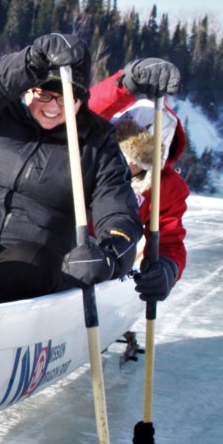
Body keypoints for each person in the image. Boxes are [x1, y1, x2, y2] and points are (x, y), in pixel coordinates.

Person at [0, 33, 143, 308]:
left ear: (81, 101)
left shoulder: (96, 145)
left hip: (31, 257)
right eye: (45, 94)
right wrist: (28, 61)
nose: (52, 107)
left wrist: (109, 255)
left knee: (25, 266)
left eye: (65, 99)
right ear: (29, 90)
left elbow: (119, 213)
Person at [88, 58, 189, 302]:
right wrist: (126, 83)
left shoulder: (165, 187)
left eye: (137, 158)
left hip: (111, 252)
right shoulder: (90, 152)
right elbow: (82, 111)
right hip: (67, 238)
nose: (126, 163)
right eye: (121, 151)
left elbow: (170, 240)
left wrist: (168, 268)